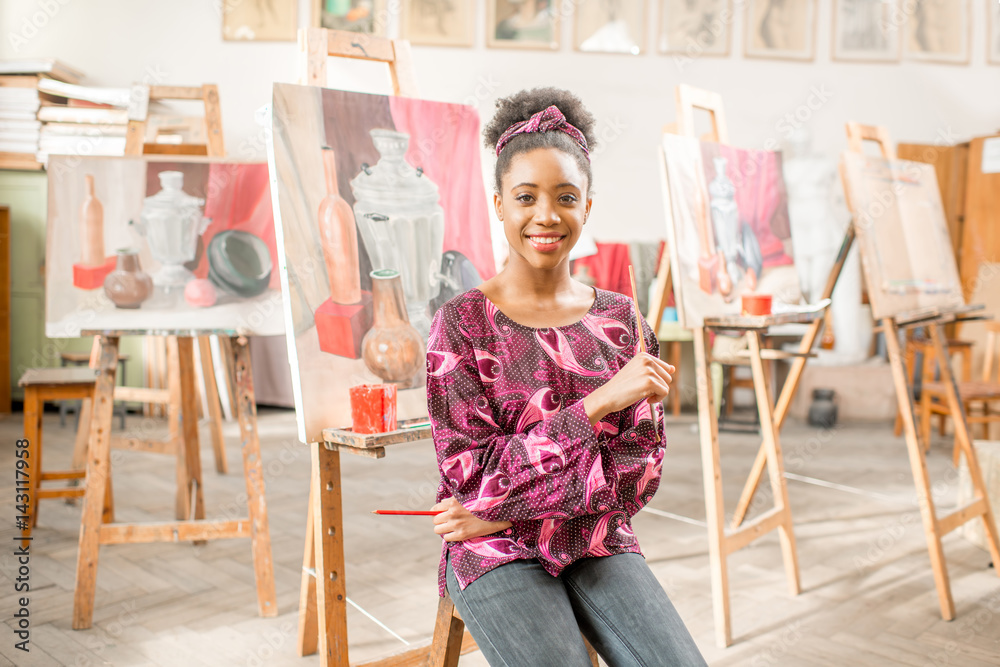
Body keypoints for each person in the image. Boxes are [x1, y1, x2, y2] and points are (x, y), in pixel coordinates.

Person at [426, 88, 706, 666]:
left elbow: (638, 476)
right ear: (499, 205)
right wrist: (598, 404)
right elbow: (474, 478)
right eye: (526, 197)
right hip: (491, 546)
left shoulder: (622, 320)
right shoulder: (461, 325)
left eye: (565, 197)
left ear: (587, 207)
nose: (546, 215)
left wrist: (513, 504)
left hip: (594, 538)